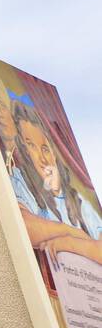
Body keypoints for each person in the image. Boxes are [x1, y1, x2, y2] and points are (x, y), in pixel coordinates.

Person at [11, 102, 102, 264]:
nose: (42, 158)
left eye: (45, 148)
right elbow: (23, 226)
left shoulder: (79, 202)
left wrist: (70, 243)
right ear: (24, 149)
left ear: (54, 152)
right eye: (31, 146)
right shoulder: (20, 181)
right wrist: (69, 231)